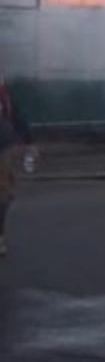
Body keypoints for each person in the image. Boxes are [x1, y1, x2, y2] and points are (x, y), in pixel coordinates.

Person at [0, 78, 32, 257]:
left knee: (3, 195)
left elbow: (17, 115)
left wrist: (29, 140)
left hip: (2, 146)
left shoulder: (4, 94)